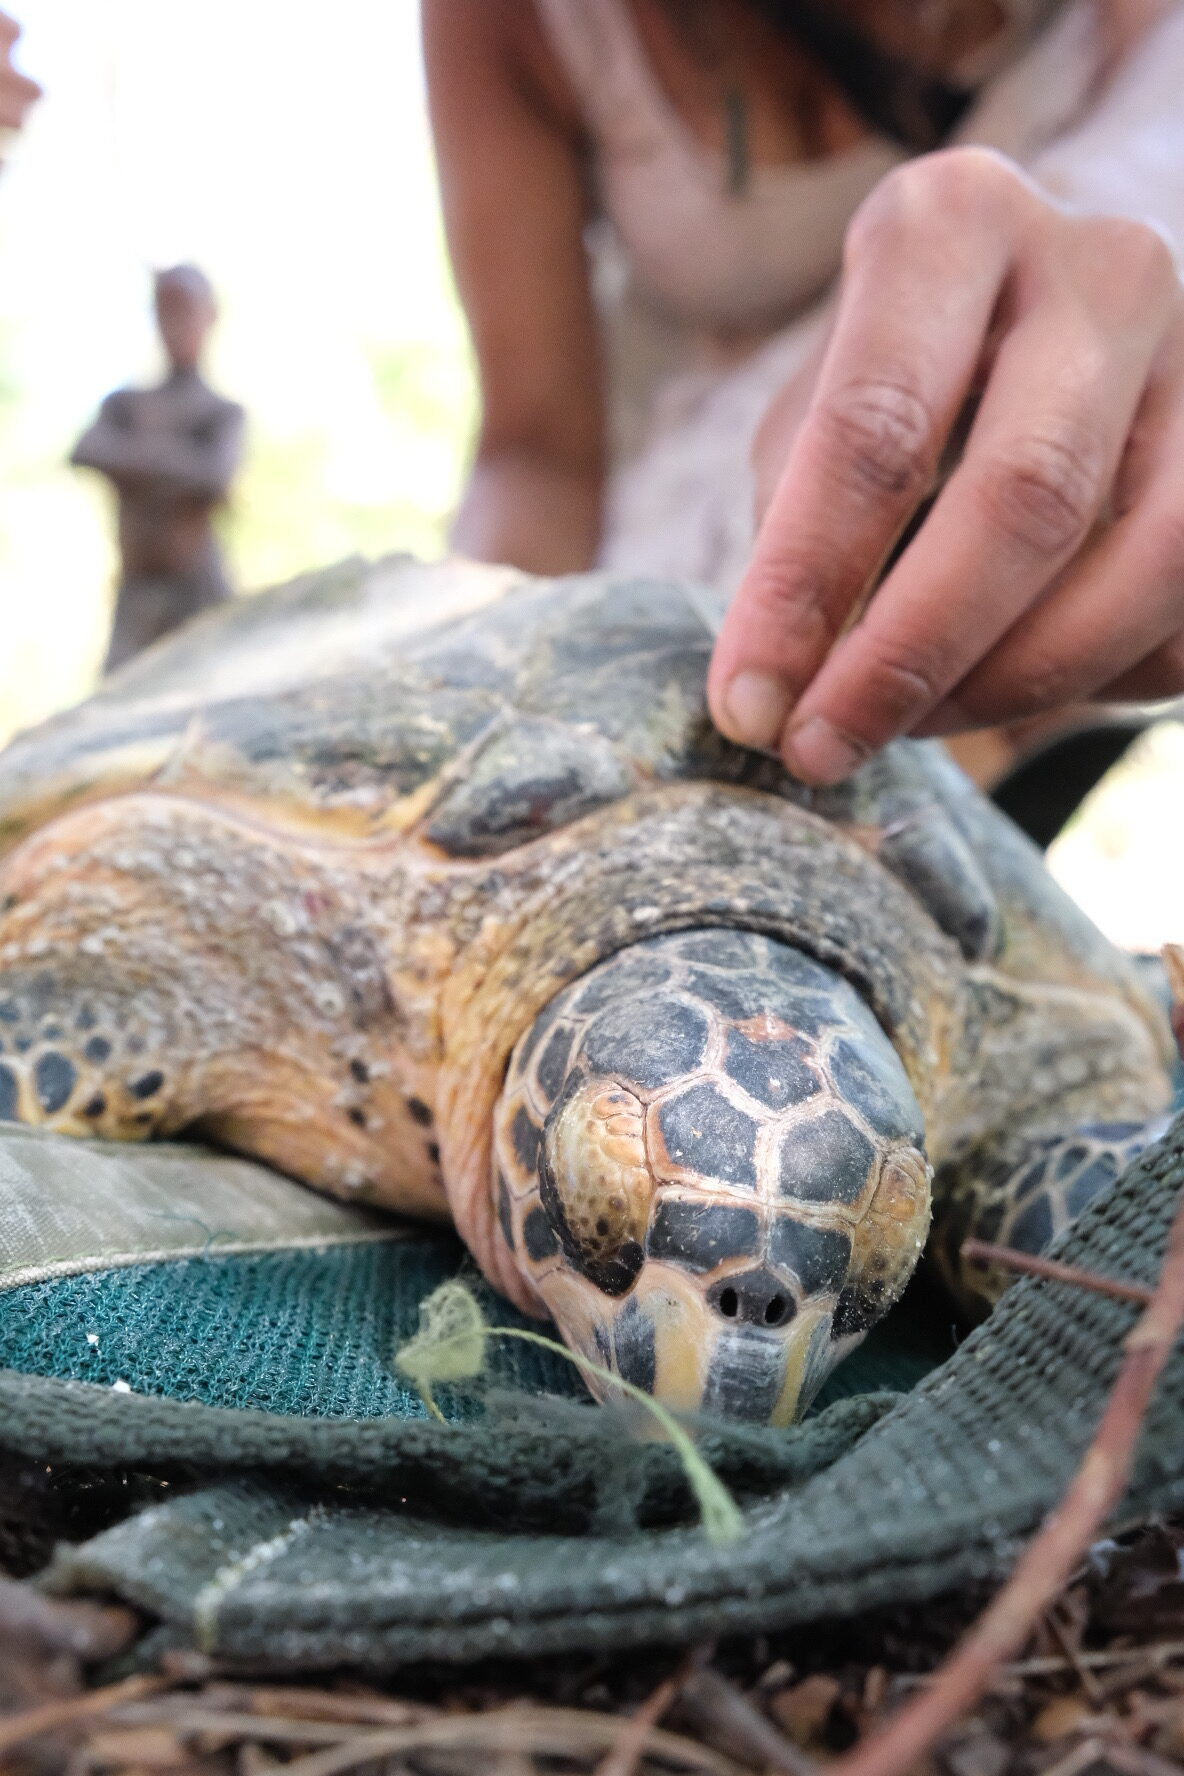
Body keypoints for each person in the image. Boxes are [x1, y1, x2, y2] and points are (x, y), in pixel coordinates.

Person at [424, 0, 1184, 792]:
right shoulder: (507, 23)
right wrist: (470, 703)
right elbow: (536, 457)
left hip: (1033, 609)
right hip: (671, 608)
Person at [70, 266, 245, 674]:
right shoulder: (124, 404)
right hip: (137, 594)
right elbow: (86, 450)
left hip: (200, 590)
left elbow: (214, 477)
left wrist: (135, 460)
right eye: (167, 312)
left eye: (188, 311)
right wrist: (177, 462)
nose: (177, 326)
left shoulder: (222, 413)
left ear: (210, 317)